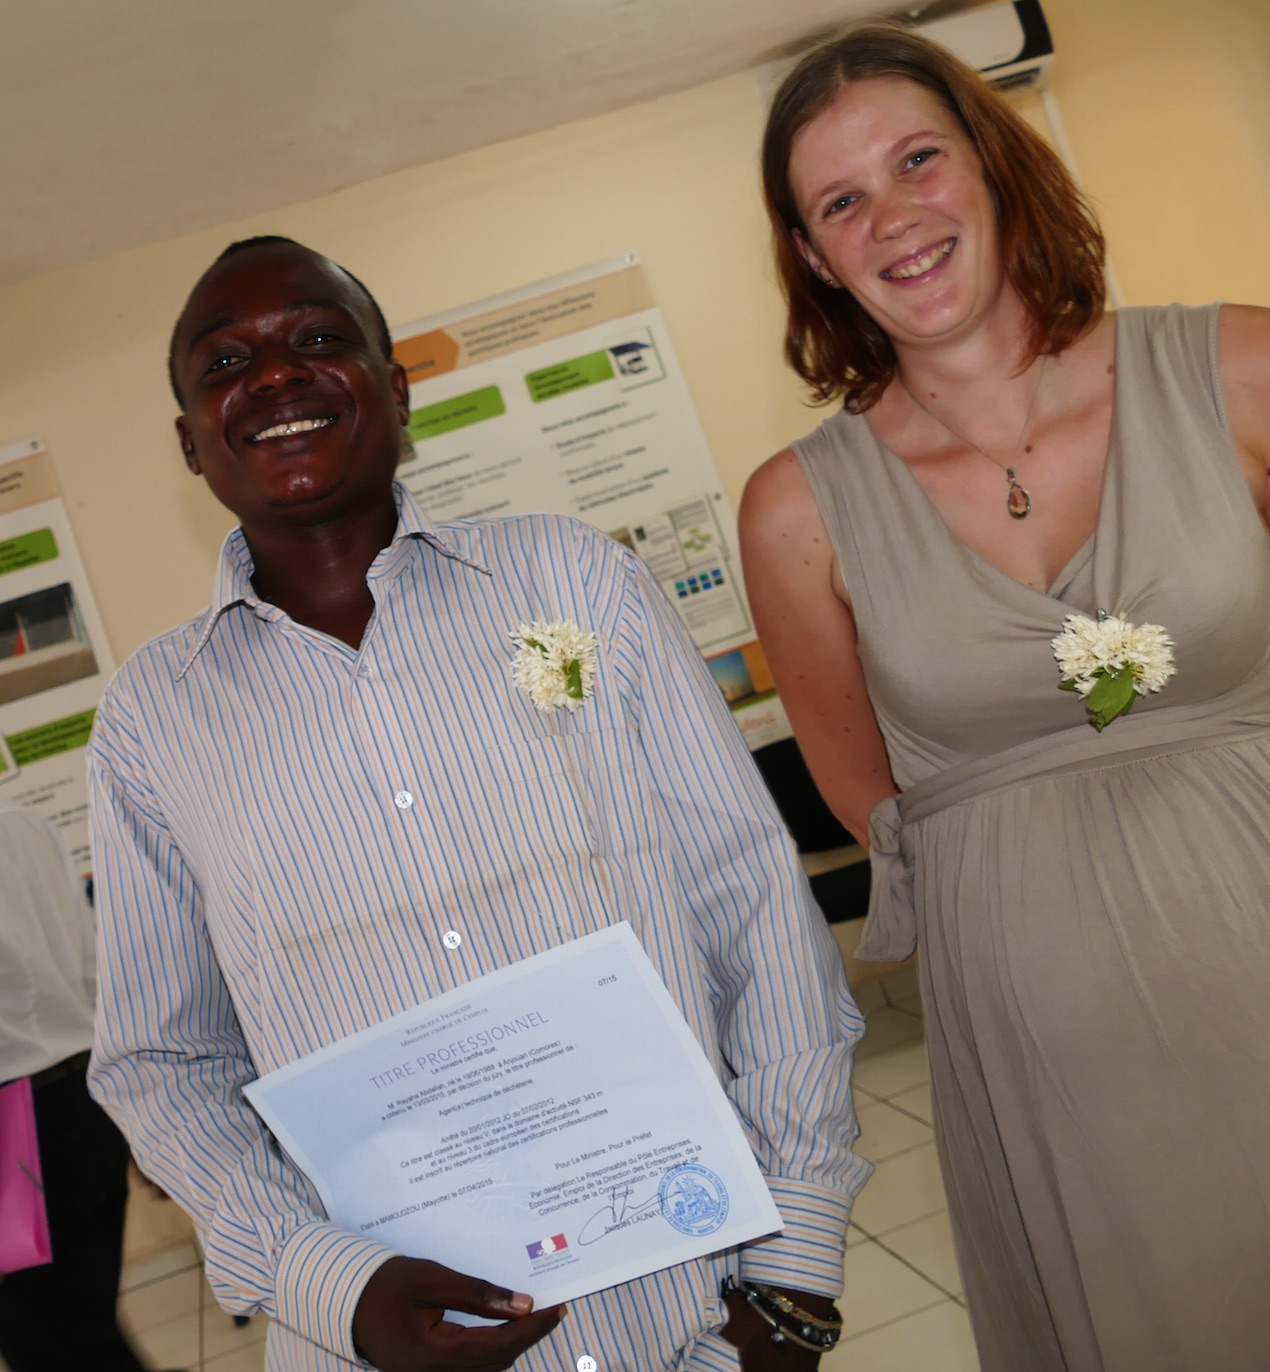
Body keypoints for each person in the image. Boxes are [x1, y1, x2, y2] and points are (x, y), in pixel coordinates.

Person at [86, 236, 868, 1372]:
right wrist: (331, 1286)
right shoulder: (150, 722)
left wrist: (794, 1265)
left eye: (318, 338)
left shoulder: (575, 579)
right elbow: (164, 1061)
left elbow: (749, 906)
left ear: (397, 389)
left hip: (690, 1304)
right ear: (189, 441)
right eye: (225, 363)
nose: (275, 374)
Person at [740, 20, 1270, 1372]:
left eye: (917, 161)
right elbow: (862, 788)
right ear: (813, 256)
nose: (891, 218)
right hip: (1049, 1058)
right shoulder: (797, 511)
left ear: (990, 162)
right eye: (839, 202)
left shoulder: (1241, 370)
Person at [0, 805, 176, 1372]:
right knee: (78, 1321)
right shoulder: (26, 825)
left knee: (50, 1338)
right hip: (81, 1098)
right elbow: (95, 973)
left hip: (12, 1127)